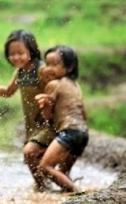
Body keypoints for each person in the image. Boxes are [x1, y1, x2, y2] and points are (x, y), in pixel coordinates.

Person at [0, 29, 57, 191]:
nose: (16, 57)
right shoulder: (21, 72)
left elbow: (57, 90)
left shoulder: (42, 70)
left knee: (30, 152)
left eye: (20, 53)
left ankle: (45, 188)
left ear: (31, 50)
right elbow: (8, 92)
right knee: (36, 158)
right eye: (12, 54)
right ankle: (44, 190)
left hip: (47, 122)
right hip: (32, 124)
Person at [35, 45, 89, 193]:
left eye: (55, 64)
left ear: (70, 66)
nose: (49, 68)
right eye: (47, 64)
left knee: (45, 167)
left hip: (69, 131)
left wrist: (43, 104)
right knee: (63, 172)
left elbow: (47, 116)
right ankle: (69, 193)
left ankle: (76, 191)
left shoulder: (53, 84)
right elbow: (84, 115)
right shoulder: (75, 85)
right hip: (83, 133)